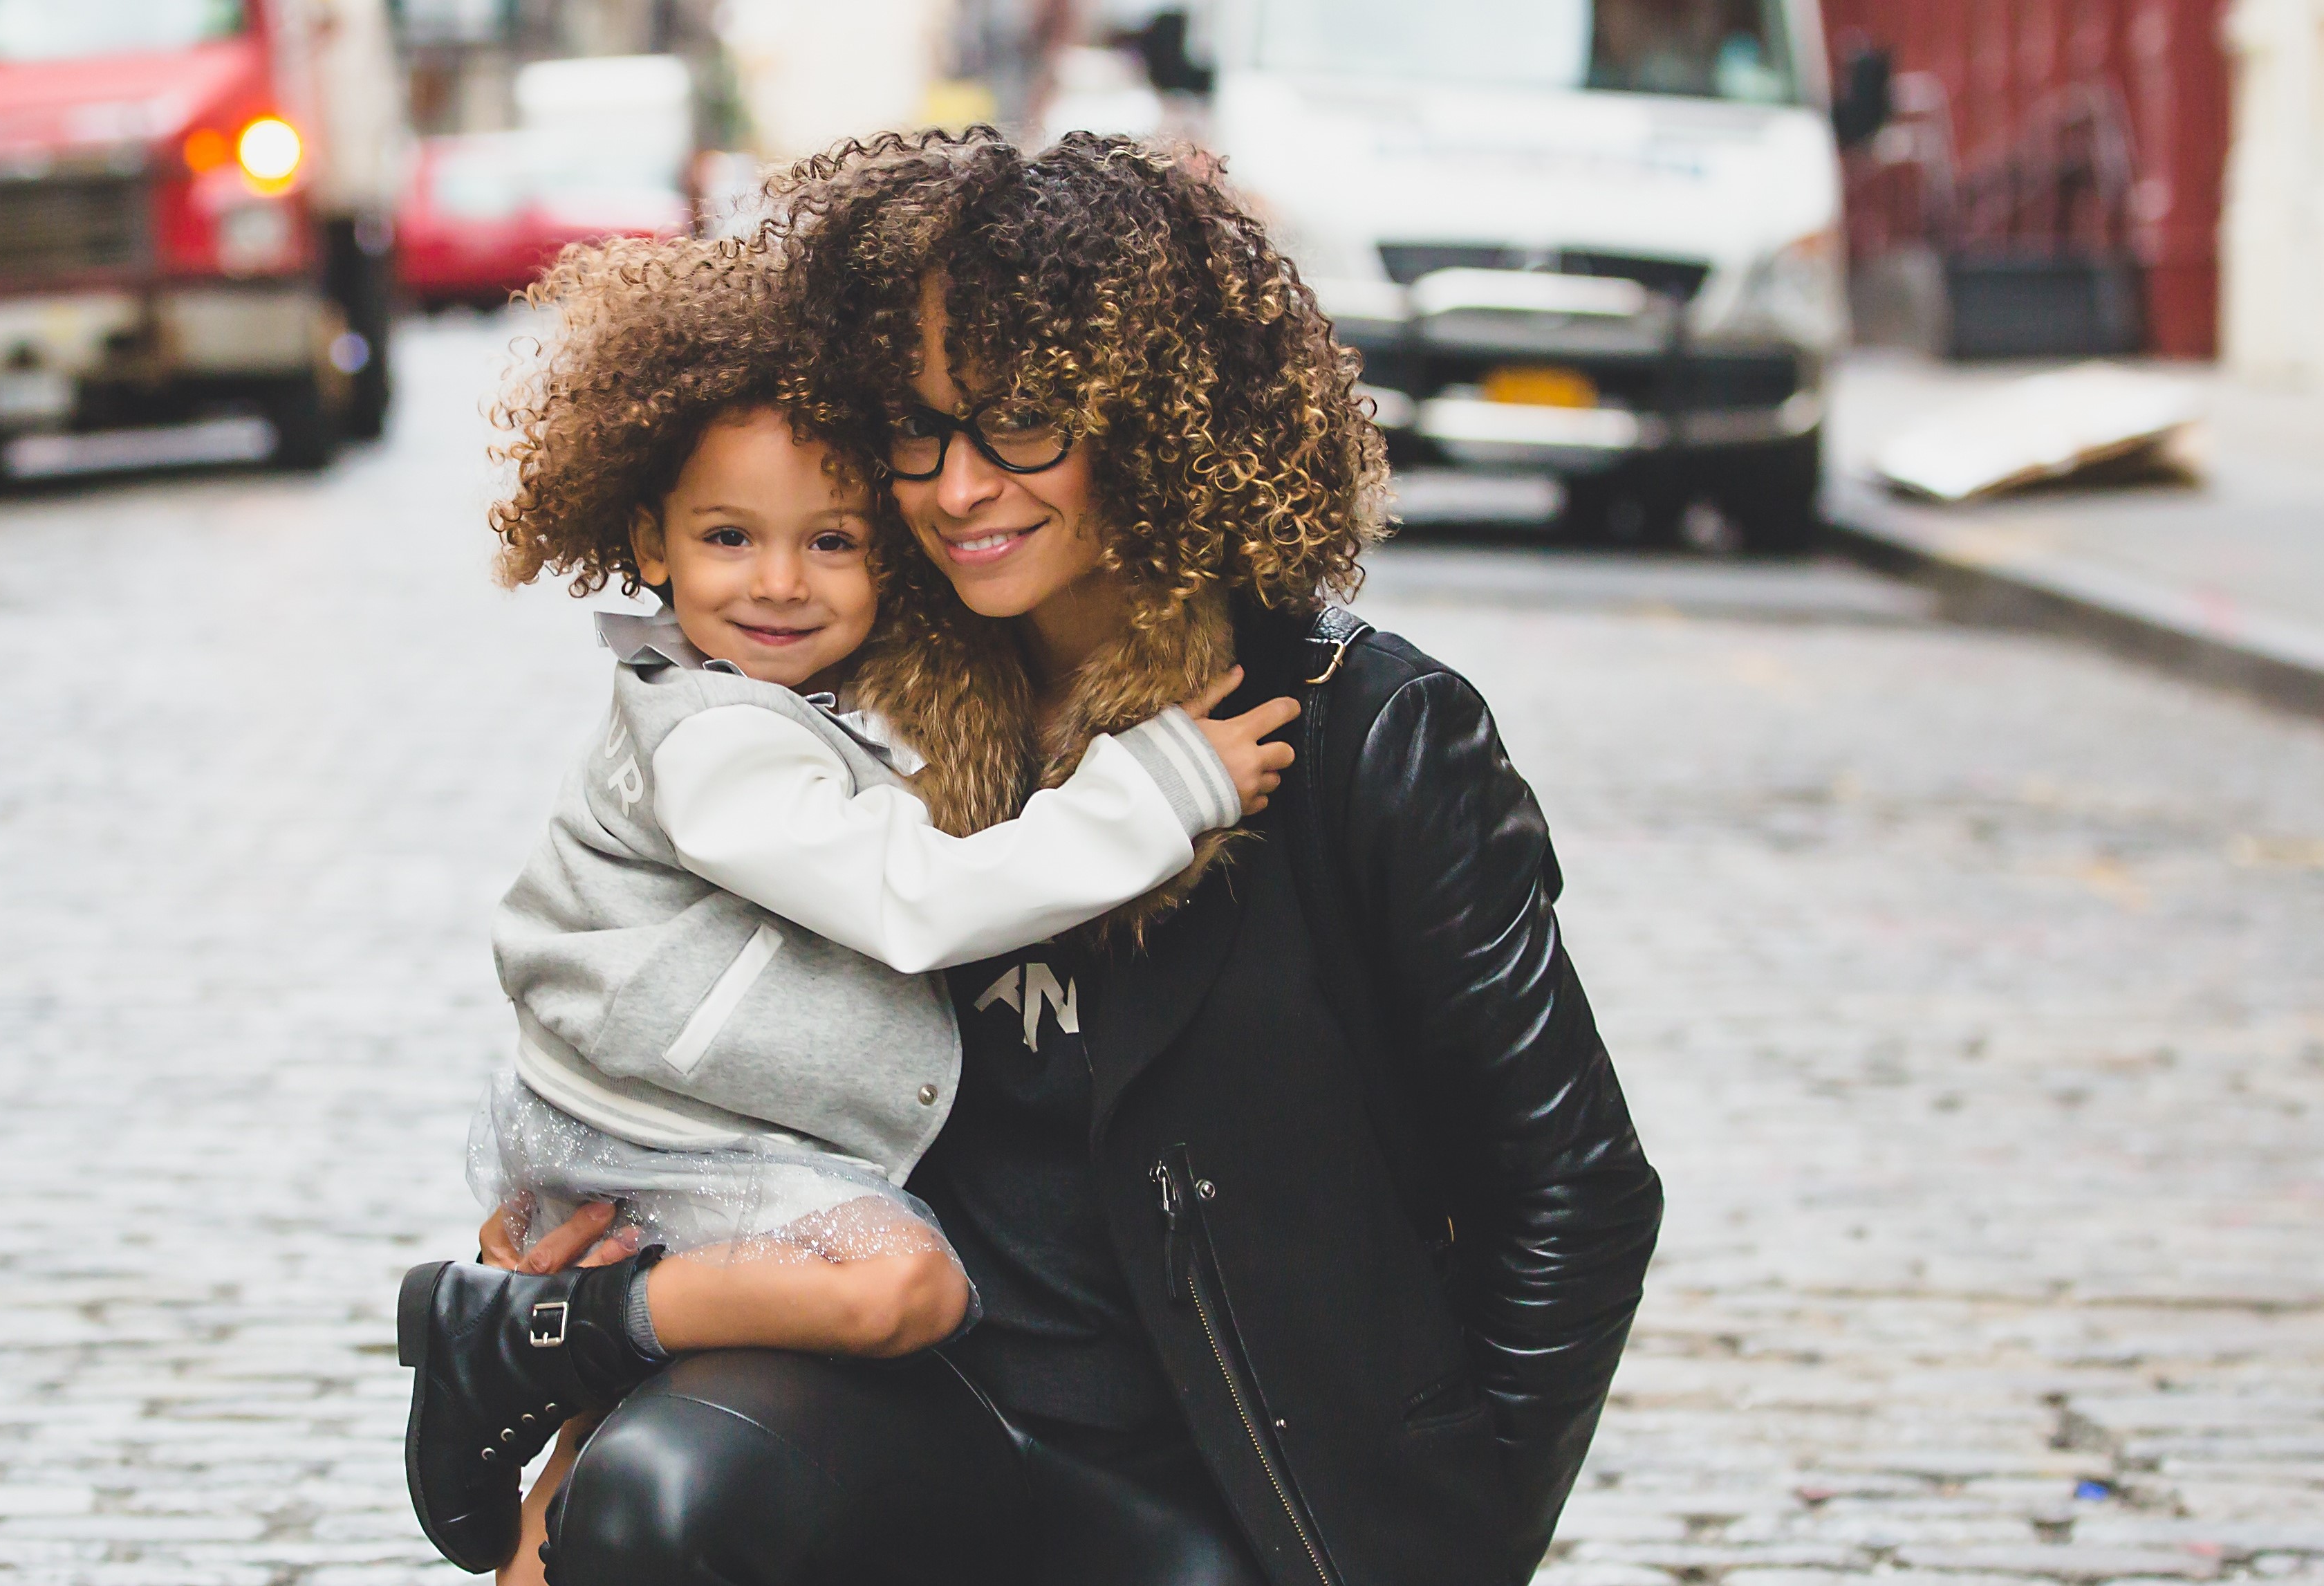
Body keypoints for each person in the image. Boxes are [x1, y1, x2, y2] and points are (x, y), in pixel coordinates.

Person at [499, 131, 1667, 1586]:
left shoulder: (1366, 734)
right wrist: (589, 1370)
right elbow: (685, 1060)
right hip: (916, 1412)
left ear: (1154, 414)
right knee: (662, 1503)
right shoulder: (848, 712)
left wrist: (1445, 1538)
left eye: (1023, 425)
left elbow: (1575, 1186)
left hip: (1225, 1475)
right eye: (916, 432)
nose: (958, 487)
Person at [404, 236, 1304, 1583]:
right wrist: (1160, 783)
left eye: (831, 541)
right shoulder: (711, 736)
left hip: (685, 1127)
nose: (779, 582)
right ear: (646, 536)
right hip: (673, 1139)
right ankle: (530, 1331)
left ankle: (556, 1361)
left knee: (606, 1453)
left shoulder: (808, 701)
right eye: (729, 537)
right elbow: (913, 898)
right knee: (903, 1290)